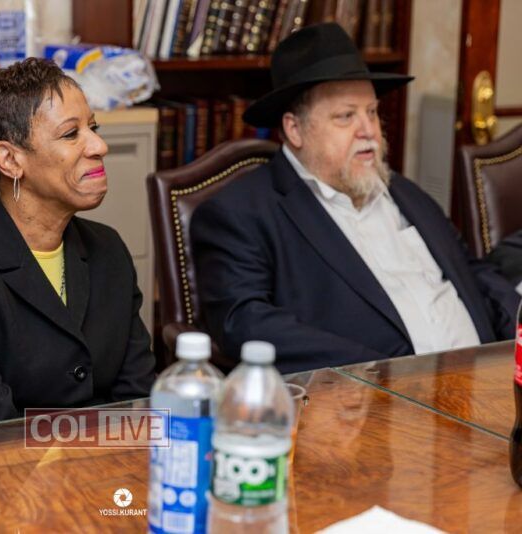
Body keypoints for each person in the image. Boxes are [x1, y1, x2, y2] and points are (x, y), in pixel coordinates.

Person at [191, 23, 520, 374]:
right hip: (378, 396)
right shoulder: (241, 213)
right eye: (346, 116)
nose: (368, 130)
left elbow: (472, 272)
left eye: (372, 112)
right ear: (295, 129)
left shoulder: (405, 193)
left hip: (490, 380)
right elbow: (245, 322)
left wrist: (517, 330)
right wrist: (375, 373)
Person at [0, 58, 156, 431]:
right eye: (70, 134)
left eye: (94, 128)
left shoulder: (109, 250)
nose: (99, 146)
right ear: (10, 160)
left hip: (109, 459)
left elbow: (138, 403)